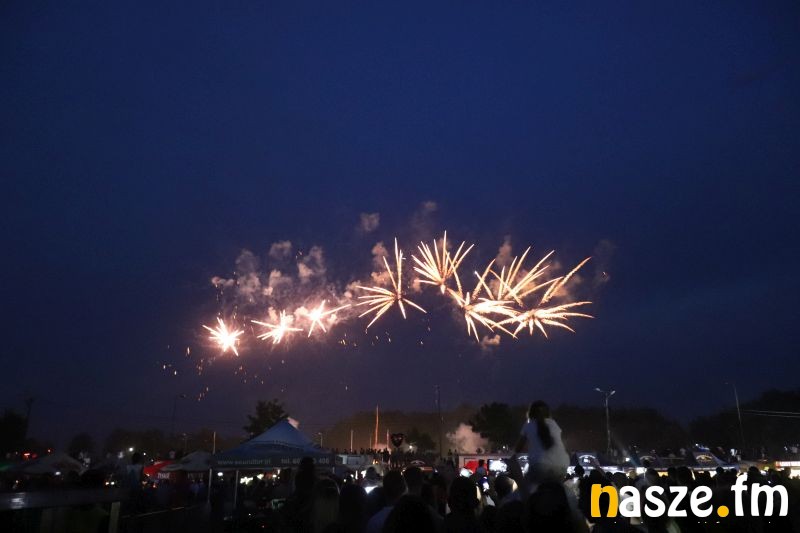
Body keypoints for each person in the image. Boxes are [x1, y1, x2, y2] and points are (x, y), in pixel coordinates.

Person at [513, 401, 569, 485]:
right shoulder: (554, 424)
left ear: (530, 413)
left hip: (540, 466)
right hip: (562, 465)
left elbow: (518, 448)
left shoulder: (529, 425)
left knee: (526, 487)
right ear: (548, 413)